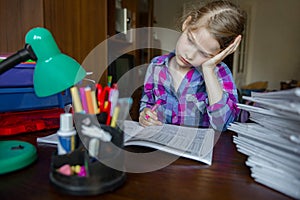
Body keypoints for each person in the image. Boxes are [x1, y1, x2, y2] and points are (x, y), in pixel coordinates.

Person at [139, 0, 246, 131]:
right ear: (187, 23)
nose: (190, 55)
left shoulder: (220, 73)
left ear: (220, 53)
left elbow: (222, 125)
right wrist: (145, 114)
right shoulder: (156, 66)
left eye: (204, 53)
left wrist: (208, 69)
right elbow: (147, 104)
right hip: (160, 147)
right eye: (190, 40)